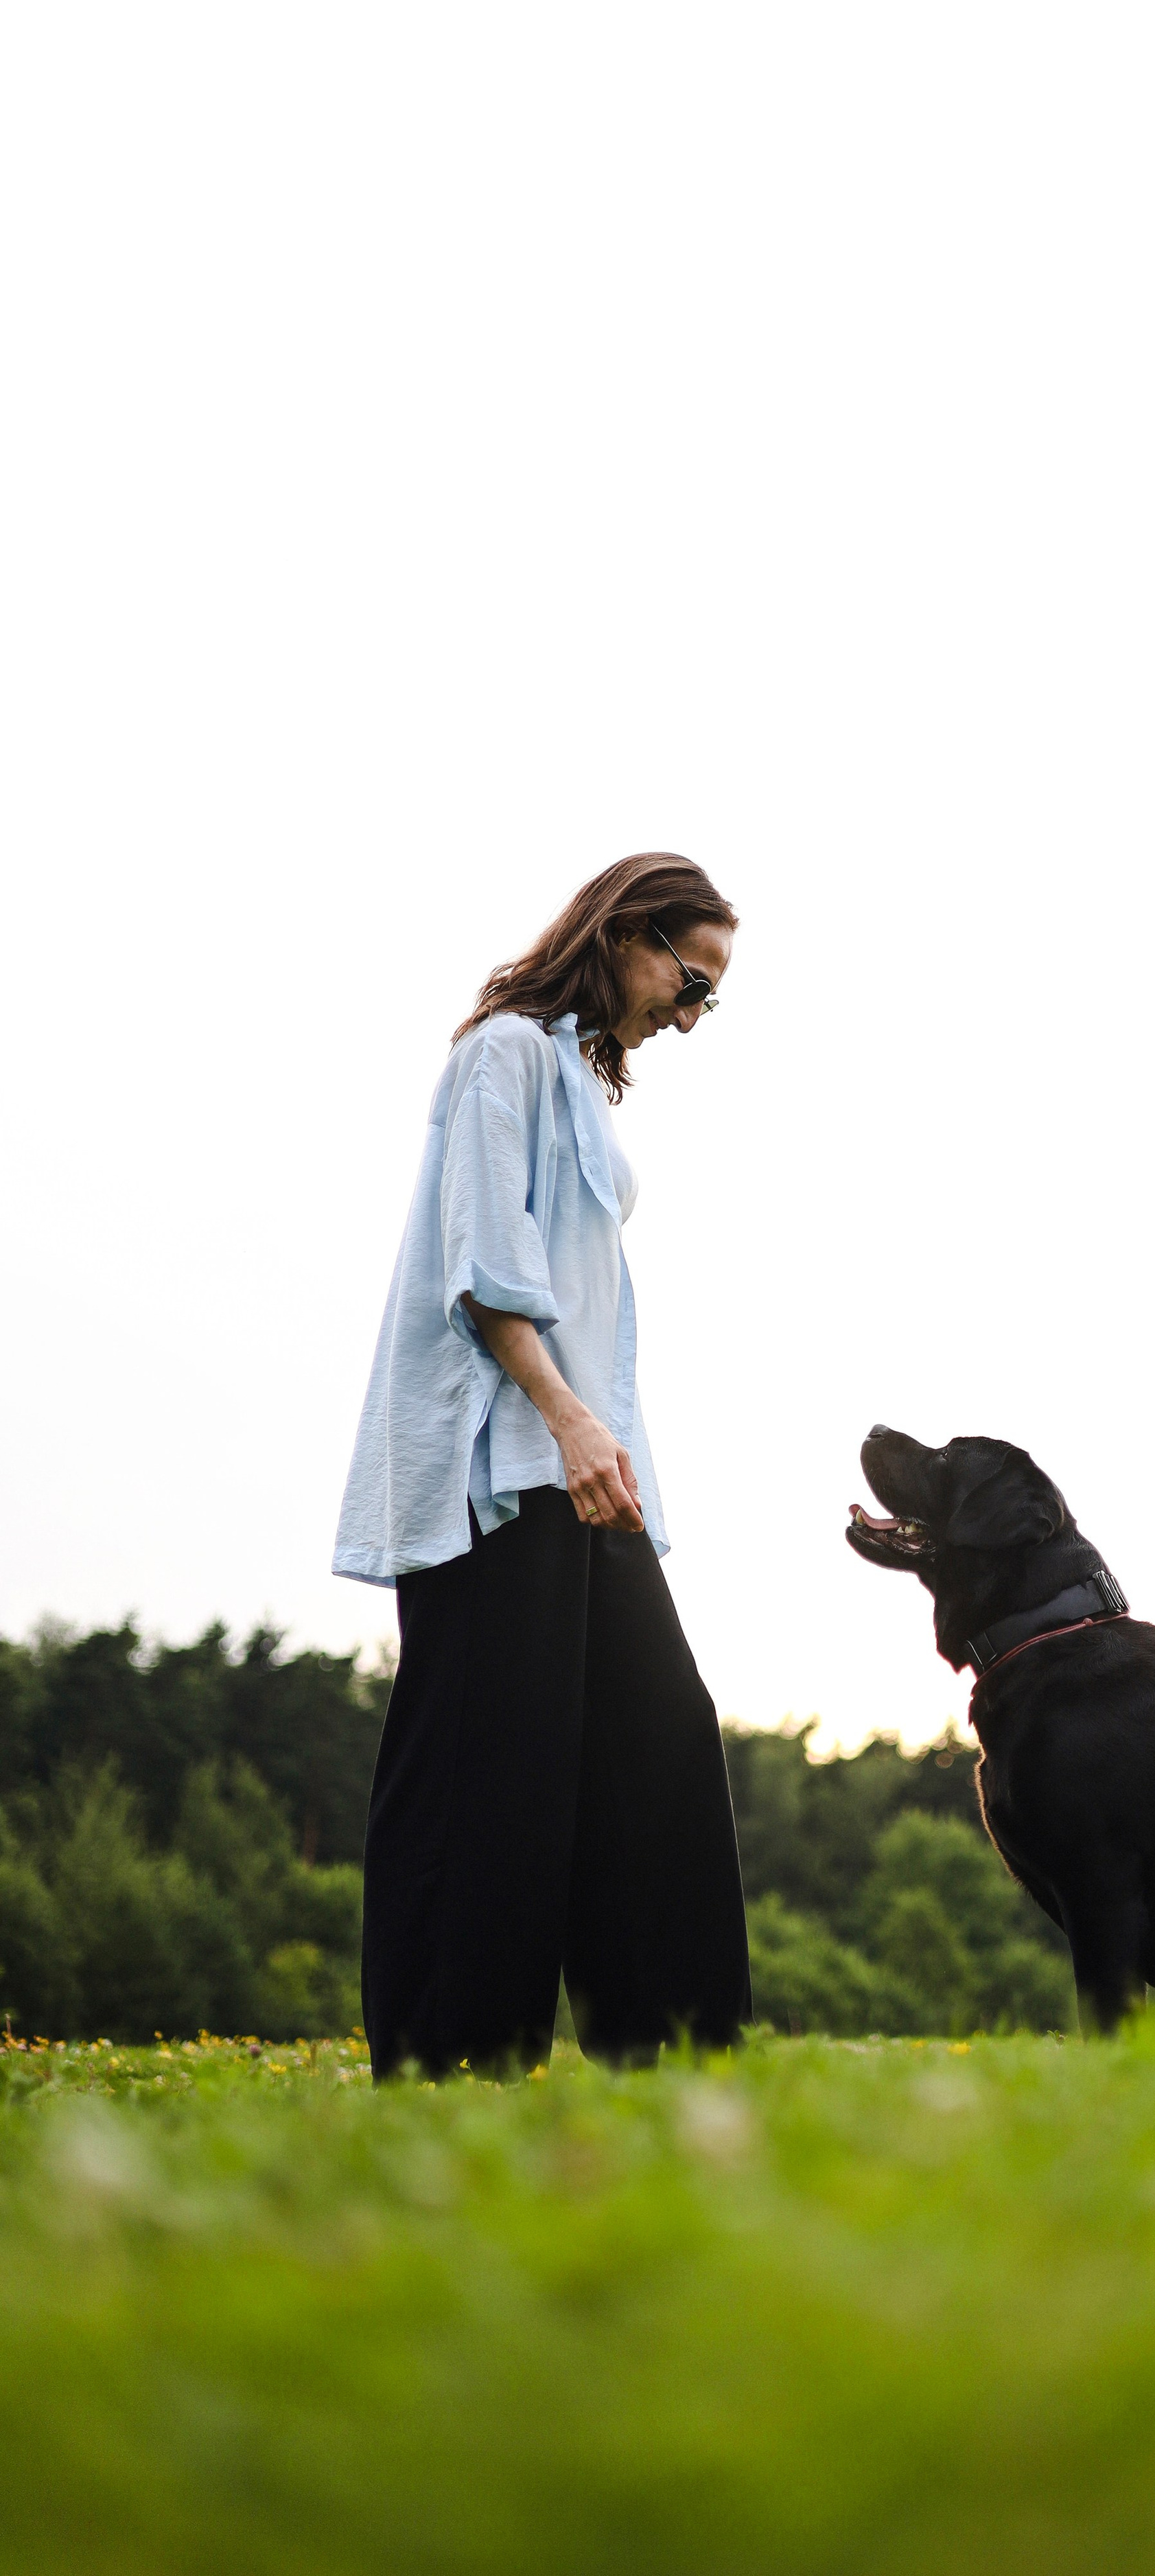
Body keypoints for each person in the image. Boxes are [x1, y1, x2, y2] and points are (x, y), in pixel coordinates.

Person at [334, 853, 751, 2078]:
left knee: (658, 1745)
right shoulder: (504, 1053)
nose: (690, 1015)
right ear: (625, 935)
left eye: (709, 998)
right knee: (487, 1763)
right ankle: (450, 2066)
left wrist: (602, 1442)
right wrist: (568, 1419)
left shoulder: (576, 1078)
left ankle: (674, 2061)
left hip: (583, 1463)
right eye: (693, 980)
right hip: (498, 1456)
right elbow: (483, 1260)